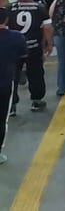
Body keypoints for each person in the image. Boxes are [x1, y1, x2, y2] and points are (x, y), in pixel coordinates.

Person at [6, 0, 50, 114]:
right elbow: (47, 28)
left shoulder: (10, 8)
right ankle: (37, 101)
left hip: (13, 48)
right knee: (36, 73)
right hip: (33, 47)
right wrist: (49, 44)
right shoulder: (40, 8)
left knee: (12, 75)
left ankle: (12, 105)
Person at [0, 16, 24, 162]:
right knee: (2, 119)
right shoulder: (16, 37)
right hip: (5, 82)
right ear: (7, 20)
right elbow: (22, 55)